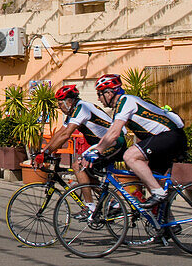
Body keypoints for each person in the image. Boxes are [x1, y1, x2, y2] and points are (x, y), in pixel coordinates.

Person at [82, 74, 187, 208]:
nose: (98, 98)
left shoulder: (127, 101)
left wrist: (97, 150)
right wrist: (94, 150)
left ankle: (159, 193)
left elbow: (114, 134)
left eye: (99, 94)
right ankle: (168, 224)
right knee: (150, 180)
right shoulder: (121, 106)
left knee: (130, 156)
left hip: (170, 136)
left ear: (109, 93)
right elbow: (113, 135)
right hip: (165, 139)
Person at [33, 84, 127, 215]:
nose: (59, 107)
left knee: (77, 166)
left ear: (69, 101)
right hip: (104, 144)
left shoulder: (81, 108)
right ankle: (113, 202)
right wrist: (44, 152)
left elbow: (66, 135)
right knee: (86, 174)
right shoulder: (73, 112)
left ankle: (90, 207)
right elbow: (60, 132)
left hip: (115, 142)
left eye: (60, 104)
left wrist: (47, 153)